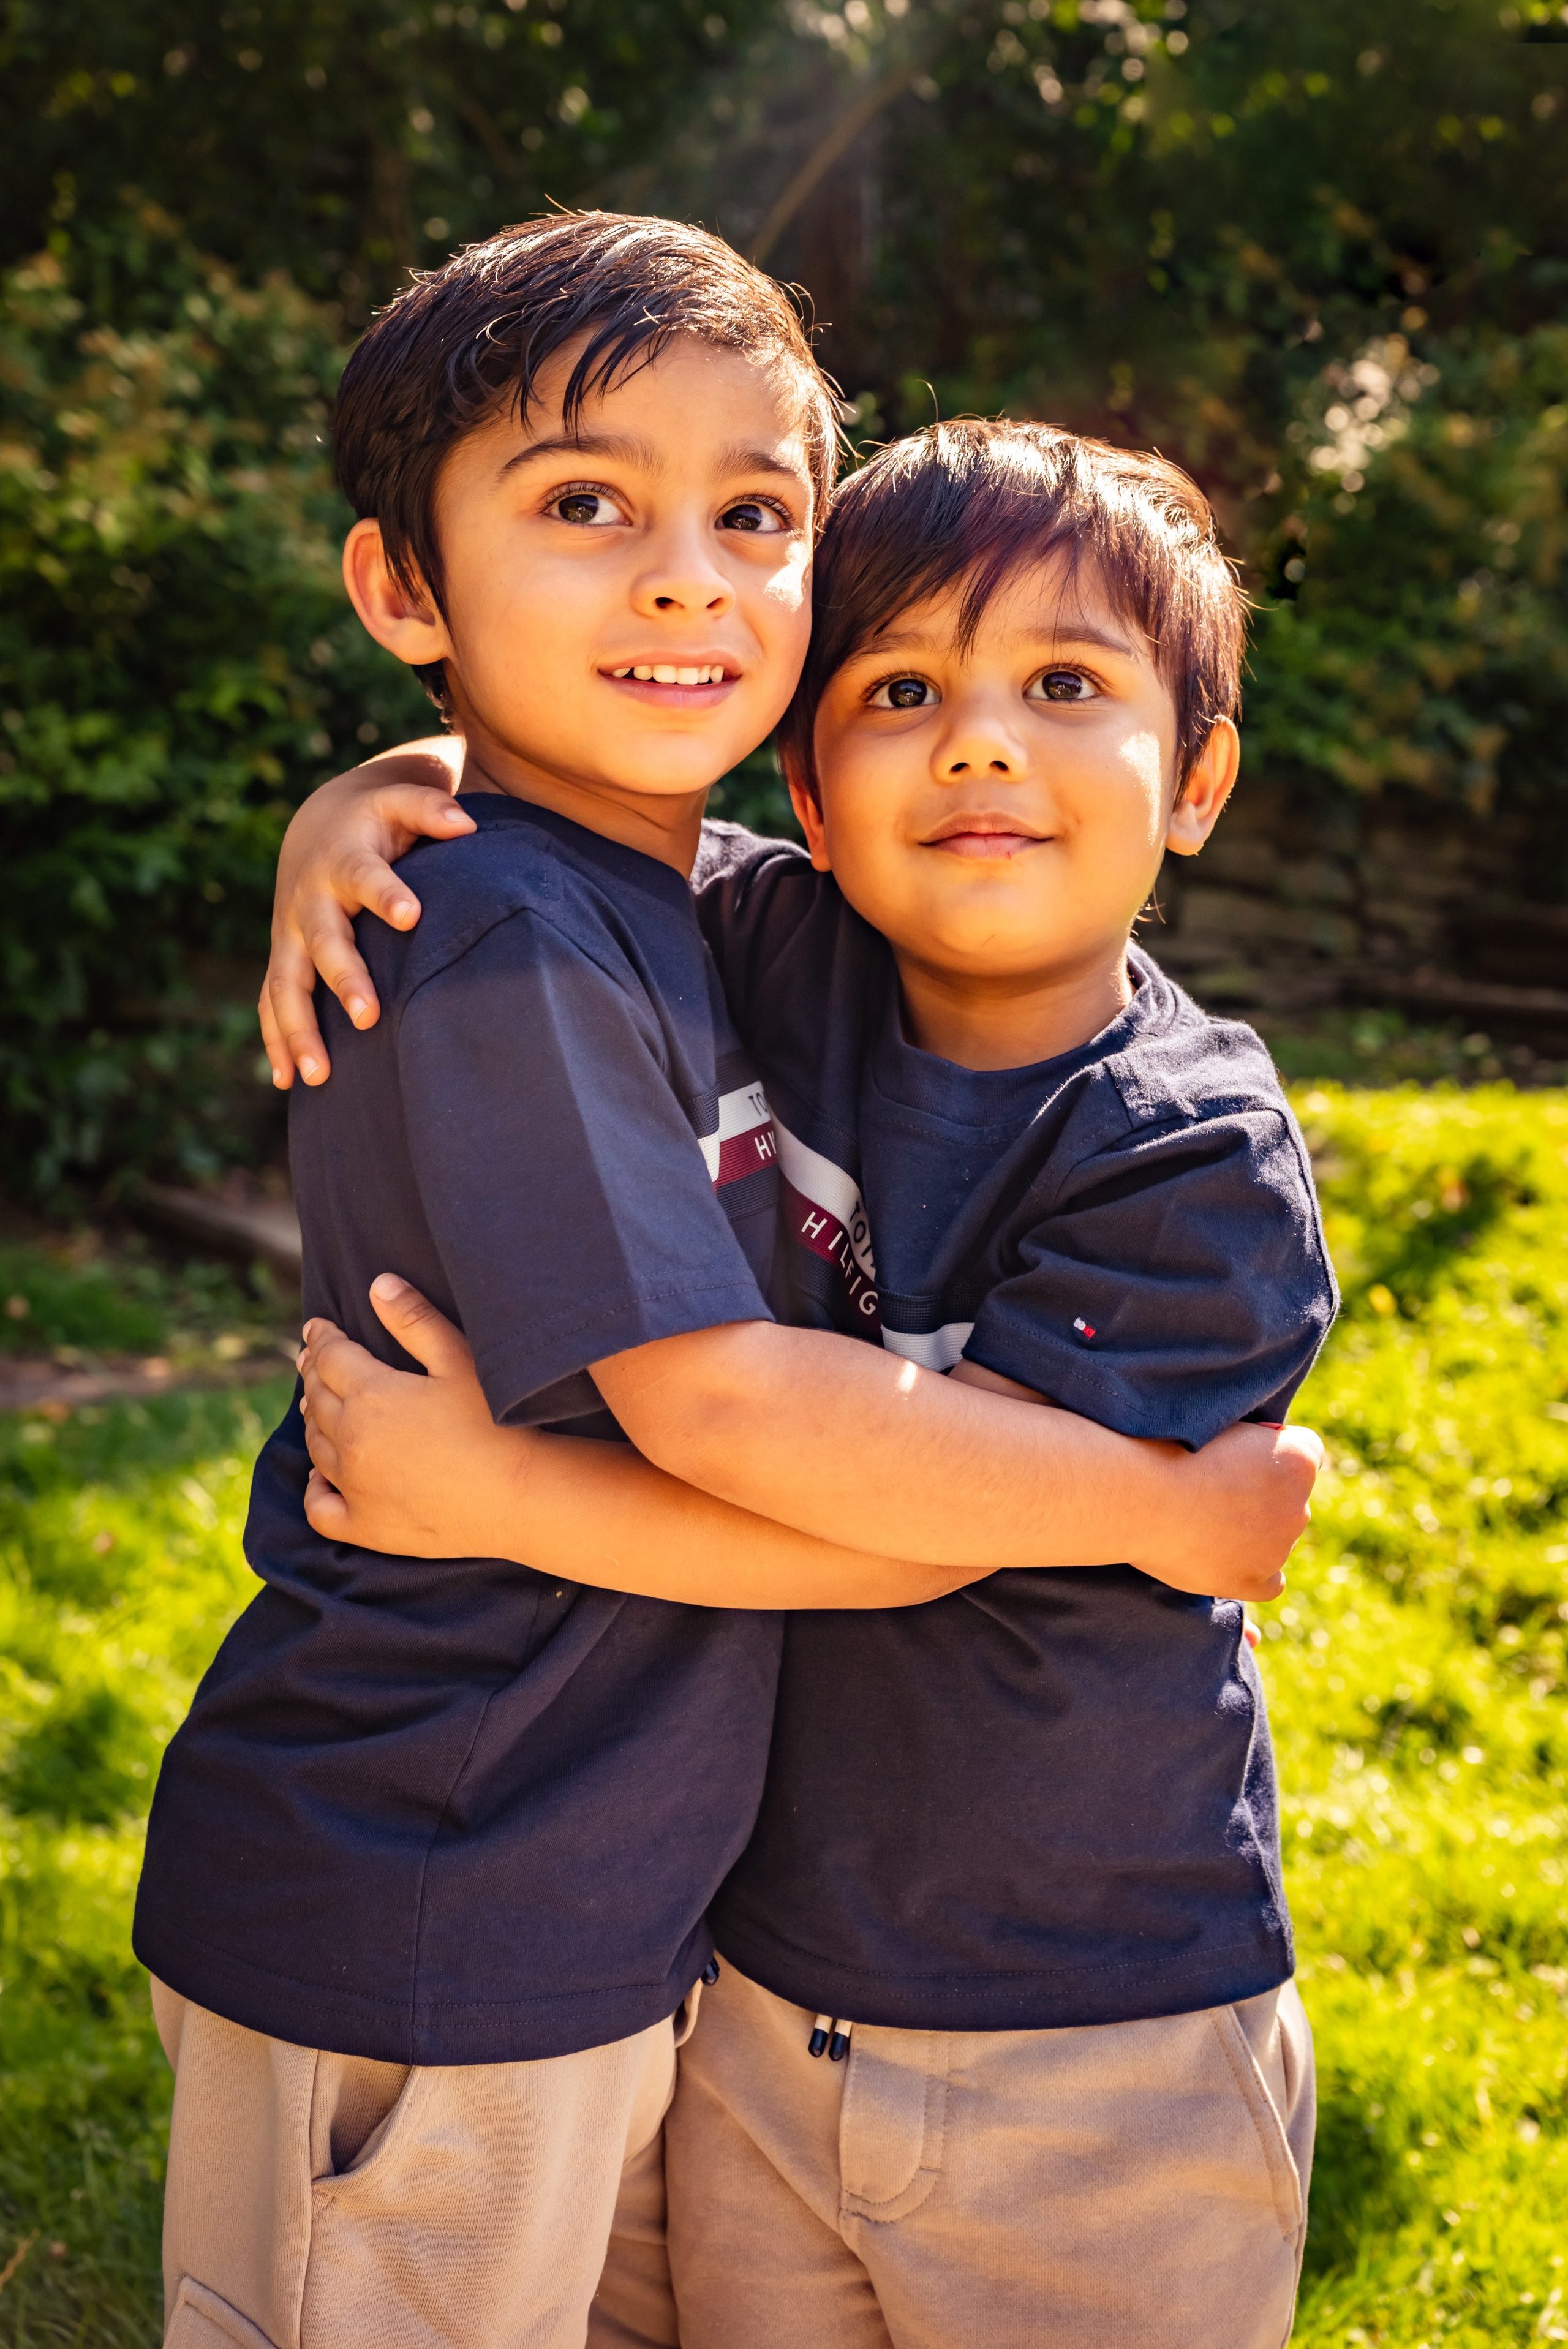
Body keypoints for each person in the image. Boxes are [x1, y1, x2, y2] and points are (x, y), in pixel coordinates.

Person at [140, 211, 1319, 2349]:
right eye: (591, 503)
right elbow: (745, 1418)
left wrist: (403, 776)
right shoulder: (684, 935)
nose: (973, 747)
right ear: (814, 772)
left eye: (751, 514)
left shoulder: (1164, 1138)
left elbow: (897, 1510)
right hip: (478, 1870)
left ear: (1203, 777)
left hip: (1049, 1982)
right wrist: (376, 792)